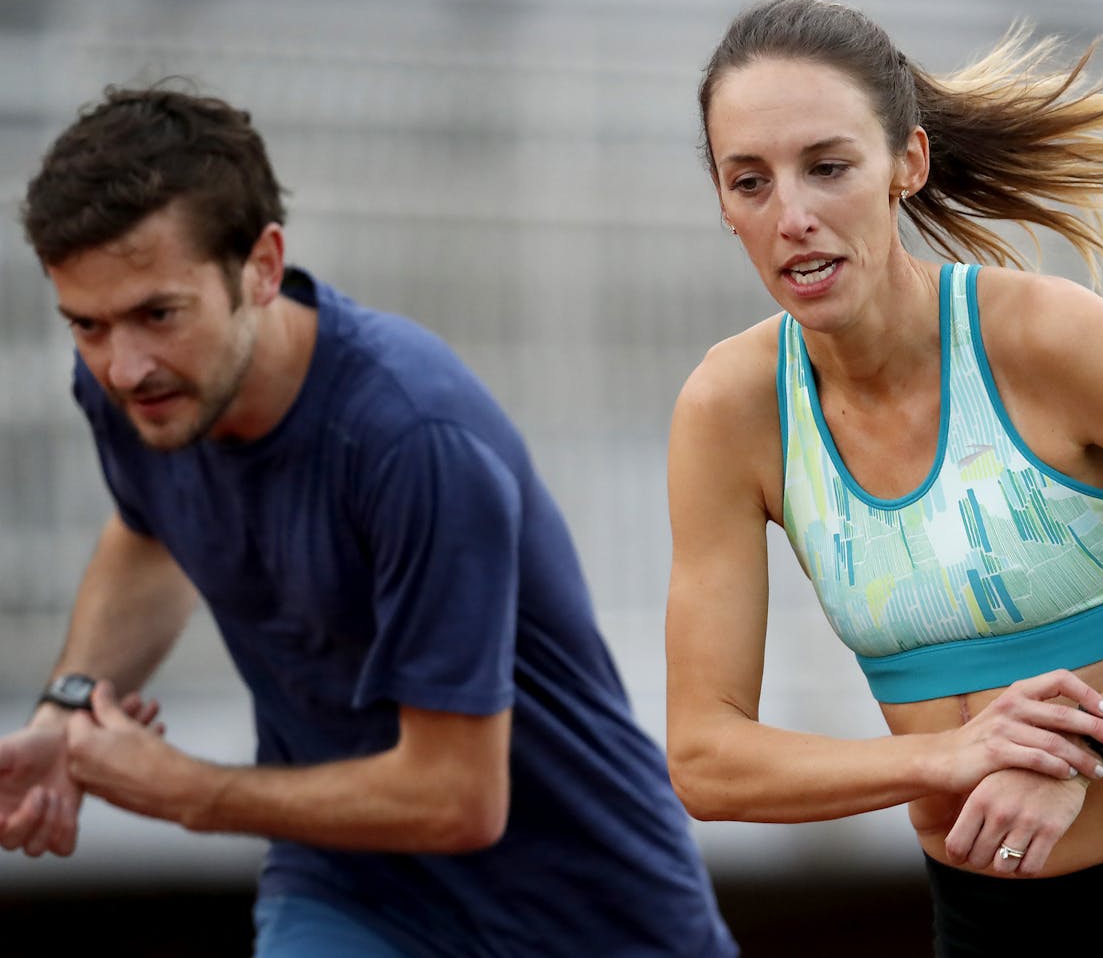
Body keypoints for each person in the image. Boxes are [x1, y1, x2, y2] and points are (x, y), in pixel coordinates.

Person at [664, 0, 1103, 957]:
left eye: (828, 167)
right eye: (749, 182)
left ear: (905, 165)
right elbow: (705, 760)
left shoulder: (1048, 340)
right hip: (985, 927)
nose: (792, 216)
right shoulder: (730, 410)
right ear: (723, 204)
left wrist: (1093, 745)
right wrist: (945, 756)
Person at [0, 86, 737, 958]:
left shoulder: (412, 436)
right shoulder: (144, 394)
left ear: (263, 266)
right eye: (86, 325)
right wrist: (68, 702)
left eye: (159, 313)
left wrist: (188, 791)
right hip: (348, 893)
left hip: (594, 923)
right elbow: (153, 528)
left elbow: (458, 798)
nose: (123, 367)